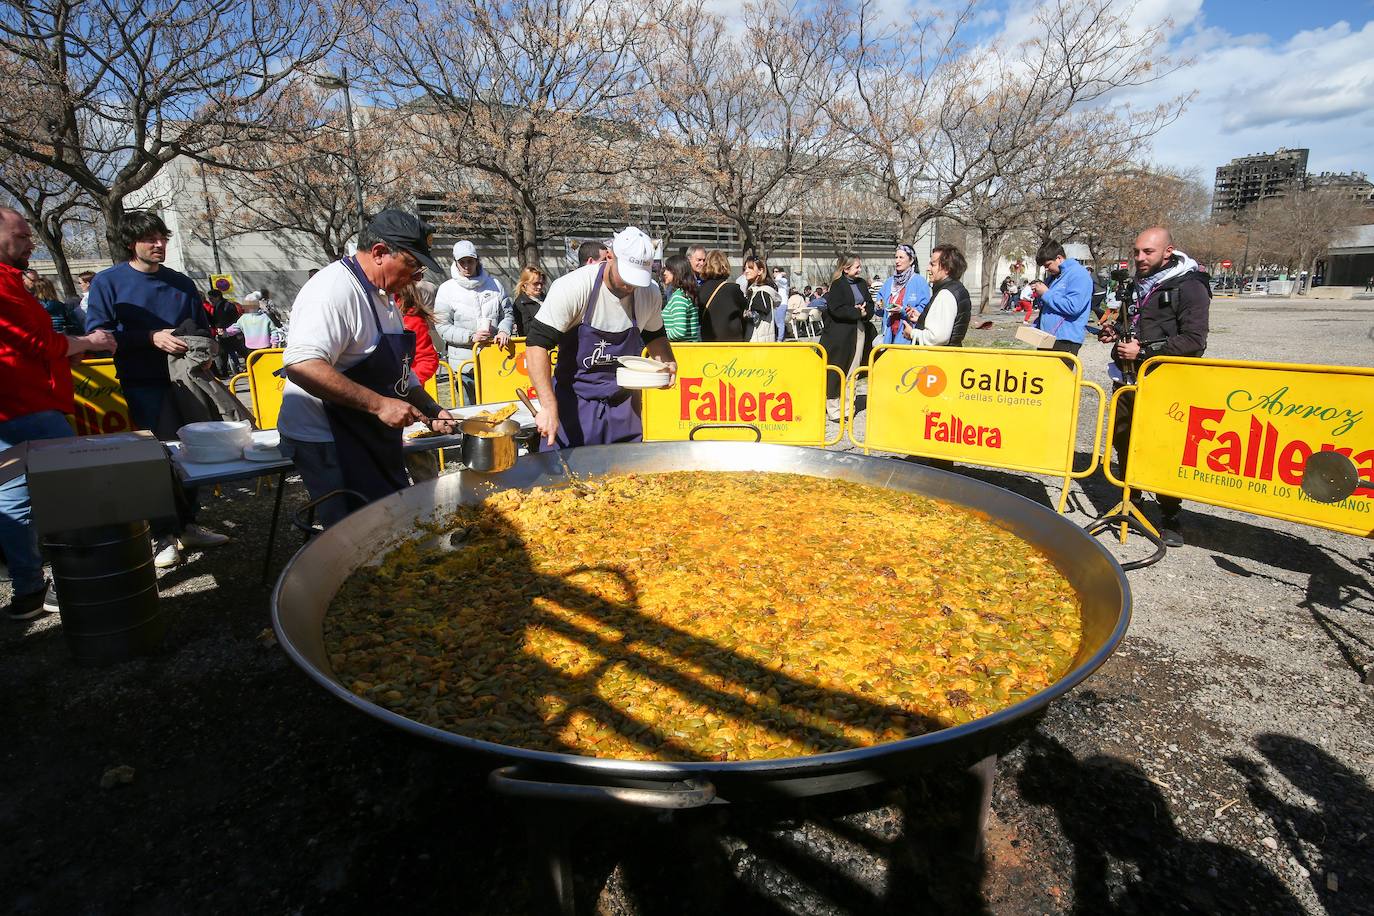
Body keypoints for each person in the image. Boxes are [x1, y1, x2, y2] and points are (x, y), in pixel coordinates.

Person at [278, 210, 459, 527]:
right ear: (378, 253)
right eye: (413, 265)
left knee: (389, 523)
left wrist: (429, 407)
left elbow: (398, 369)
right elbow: (302, 364)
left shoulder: (385, 295)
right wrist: (379, 404)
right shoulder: (333, 292)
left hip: (367, 434)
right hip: (329, 440)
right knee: (353, 533)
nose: (417, 277)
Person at [85, 211, 229, 568]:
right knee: (159, 458)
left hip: (189, 380)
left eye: (163, 238)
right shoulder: (108, 282)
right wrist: (150, 337)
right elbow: (99, 336)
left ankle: (188, 524)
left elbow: (202, 327)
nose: (160, 244)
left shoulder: (180, 282)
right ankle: (163, 533)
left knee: (194, 450)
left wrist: (207, 352)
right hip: (143, 383)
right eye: (151, 239)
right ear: (130, 243)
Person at [0, 207, 117, 618]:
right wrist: (90, 342)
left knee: (14, 498)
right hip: (27, 405)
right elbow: (39, 344)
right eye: (21, 236)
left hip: (20, 405)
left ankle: (30, 590)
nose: (30, 242)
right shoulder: (2, 286)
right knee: (70, 489)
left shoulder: (13, 282)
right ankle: (81, 578)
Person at [1099, 226, 1210, 548]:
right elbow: (1131, 324)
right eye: (1136, 252)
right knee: (1123, 442)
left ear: (1168, 251)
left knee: (1164, 449)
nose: (1140, 258)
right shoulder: (1136, 285)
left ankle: (1170, 516)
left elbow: (1194, 340)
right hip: (1126, 381)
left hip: (1166, 385)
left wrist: (1144, 351)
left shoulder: (1190, 287)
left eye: (1147, 252)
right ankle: (1131, 503)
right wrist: (1114, 333)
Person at [525, 226, 676, 448]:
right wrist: (547, 406)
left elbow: (656, 337)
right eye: (626, 276)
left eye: (637, 280)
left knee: (628, 476)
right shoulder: (573, 287)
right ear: (610, 256)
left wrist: (667, 364)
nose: (630, 286)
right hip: (575, 403)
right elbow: (536, 345)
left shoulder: (649, 293)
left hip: (624, 407)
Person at [433, 239, 514, 405]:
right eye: (462, 262)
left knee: (497, 408)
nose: (466, 266)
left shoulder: (495, 285)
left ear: (477, 260)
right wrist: (471, 336)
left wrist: (504, 330)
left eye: (470, 261)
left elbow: (507, 313)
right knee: (470, 413)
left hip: (494, 359)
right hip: (464, 365)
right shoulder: (446, 289)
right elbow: (442, 326)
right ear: (455, 263)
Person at [818, 253, 876, 421]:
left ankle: (848, 407)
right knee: (837, 369)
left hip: (859, 330)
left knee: (853, 370)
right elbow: (836, 309)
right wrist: (857, 311)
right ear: (846, 268)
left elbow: (869, 304)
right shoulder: (837, 285)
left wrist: (865, 313)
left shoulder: (862, 284)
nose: (860, 270)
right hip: (840, 334)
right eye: (857, 267)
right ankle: (834, 409)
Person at [1028, 240, 1092, 355]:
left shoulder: (1078, 274)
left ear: (1059, 258)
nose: (1046, 269)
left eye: (1047, 265)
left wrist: (1045, 293)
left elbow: (1073, 306)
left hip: (1065, 339)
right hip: (1046, 337)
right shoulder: (1054, 277)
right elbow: (1049, 306)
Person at [904, 243, 972, 348]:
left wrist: (912, 333)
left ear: (947, 268)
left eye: (933, 264)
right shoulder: (956, 288)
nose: (928, 268)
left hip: (939, 360)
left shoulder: (945, 294)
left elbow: (938, 338)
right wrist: (923, 318)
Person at [875, 244, 932, 345]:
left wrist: (902, 310)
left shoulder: (919, 282)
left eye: (901, 257)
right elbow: (879, 307)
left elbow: (924, 310)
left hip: (907, 337)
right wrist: (879, 307)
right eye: (896, 257)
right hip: (888, 336)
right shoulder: (889, 282)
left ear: (911, 260)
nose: (897, 261)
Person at [697, 250, 751, 342]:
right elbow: (744, 311)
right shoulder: (733, 289)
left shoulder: (699, 290)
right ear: (725, 266)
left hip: (708, 341)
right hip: (733, 341)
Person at [660, 253, 701, 342]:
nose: (664, 272)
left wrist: (659, 338)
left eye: (668, 269)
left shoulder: (679, 298)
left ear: (677, 272)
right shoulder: (685, 294)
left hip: (680, 351)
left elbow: (679, 332)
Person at [742, 255, 778, 342]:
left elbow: (755, 317)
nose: (746, 271)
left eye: (750, 268)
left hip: (758, 342)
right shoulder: (754, 290)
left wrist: (742, 314)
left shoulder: (762, 292)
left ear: (760, 271)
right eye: (745, 268)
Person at [511, 266, 547, 337]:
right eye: (535, 283)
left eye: (541, 284)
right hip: (532, 343)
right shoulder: (520, 303)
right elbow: (526, 329)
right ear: (525, 284)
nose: (539, 287)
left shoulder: (547, 299)